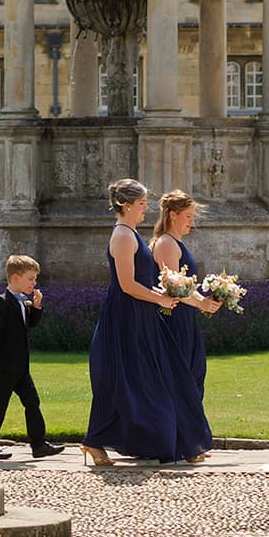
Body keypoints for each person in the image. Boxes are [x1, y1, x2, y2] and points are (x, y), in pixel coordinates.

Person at [82, 178, 207, 466]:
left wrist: (162, 293)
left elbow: (140, 282)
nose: (145, 209)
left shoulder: (131, 233)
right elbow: (126, 285)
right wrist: (160, 299)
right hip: (125, 318)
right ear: (126, 205)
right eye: (141, 204)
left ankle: (174, 440)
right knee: (122, 381)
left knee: (152, 380)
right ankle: (94, 441)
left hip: (140, 316)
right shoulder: (123, 236)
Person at [151, 190, 221, 463]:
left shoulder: (175, 241)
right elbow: (172, 287)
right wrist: (201, 304)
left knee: (192, 375)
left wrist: (210, 298)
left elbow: (182, 286)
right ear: (173, 214)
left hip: (183, 317)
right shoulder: (167, 244)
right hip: (173, 319)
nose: (191, 222)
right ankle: (186, 443)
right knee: (183, 379)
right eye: (188, 216)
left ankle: (188, 440)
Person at [0, 254, 63, 459]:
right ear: (15, 278)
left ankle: (39, 444)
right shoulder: (2, 302)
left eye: (34, 279)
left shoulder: (24, 301)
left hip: (21, 365)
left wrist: (38, 307)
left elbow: (29, 325)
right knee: (0, 404)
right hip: (6, 365)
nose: (34, 283)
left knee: (32, 402)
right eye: (31, 278)